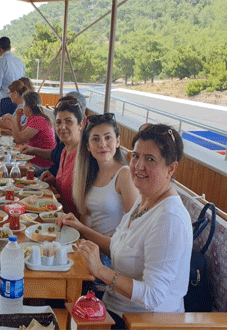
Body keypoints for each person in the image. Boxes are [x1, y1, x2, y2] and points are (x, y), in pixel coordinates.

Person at [64, 124, 191, 329]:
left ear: (171, 168)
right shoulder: (145, 199)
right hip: (113, 309)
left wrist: (100, 269)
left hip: (142, 322)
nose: (139, 166)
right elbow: (118, 246)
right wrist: (81, 229)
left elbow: (153, 296)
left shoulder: (169, 218)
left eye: (150, 159)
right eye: (136, 156)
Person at [69, 113, 138, 261]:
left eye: (108, 137)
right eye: (95, 139)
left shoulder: (125, 175)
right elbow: (86, 217)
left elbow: (132, 232)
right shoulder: (88, 174)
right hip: (90, 249)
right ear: (87, 146)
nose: (102, 144)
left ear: (118, 141)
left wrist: (81, 230)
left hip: (111, 256)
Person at [38, 99, 87, 216]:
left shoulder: (85, 155)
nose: (62, 127)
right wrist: (55, 181)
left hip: (74, 224)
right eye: (58, 122)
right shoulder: (65, 150)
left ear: (81, 124)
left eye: (68, 121)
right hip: (58, 214)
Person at [3, 91, 55, 174]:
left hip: (42, 165)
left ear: (28, 108)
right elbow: (20, 132)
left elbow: (19, 139)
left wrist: (12, 119)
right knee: (7, 164)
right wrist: (18, 118)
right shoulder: (32, 118)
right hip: (32, 159)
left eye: (24, 105)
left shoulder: (38, 120)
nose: (22, 108)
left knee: (8, 170)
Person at [0, 36, 25, 116]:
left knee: (5, 126)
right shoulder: (19, 61)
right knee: (17, 126)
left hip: (7, 100)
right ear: (10, 48)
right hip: (20, 100)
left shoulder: (2, 61)